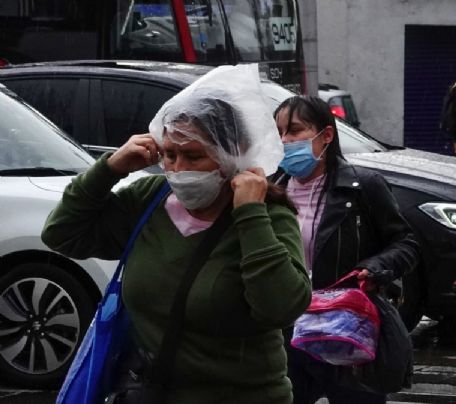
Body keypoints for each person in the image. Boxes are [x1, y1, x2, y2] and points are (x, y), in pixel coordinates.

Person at [41, 66, 311, 404]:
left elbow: (282, 307)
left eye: (194, 156)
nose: (179, 169)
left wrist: (249, 214)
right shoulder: (149, 199)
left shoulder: (267, 214)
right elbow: (61, 234)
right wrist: (108, 169)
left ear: (232, 153)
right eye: (170, 154)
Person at [272, 95, 420, 404]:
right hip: (286, 333)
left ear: (326, 135)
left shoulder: (363, 187)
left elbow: (406, 243)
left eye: (295, 130)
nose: (286, 140)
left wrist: (376, 267)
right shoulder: (270, 190)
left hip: (344, 330)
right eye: (279, 132)